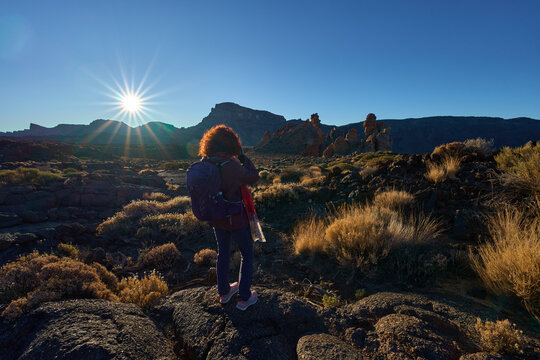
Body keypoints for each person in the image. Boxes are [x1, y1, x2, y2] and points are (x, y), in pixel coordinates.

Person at [198, 124, 260, 310]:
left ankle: (224, 292)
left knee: (223, 253)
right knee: (247, 254)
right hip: (236, 218)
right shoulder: (231, 165)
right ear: (231, 143)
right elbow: (253, 177)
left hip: (217, 217)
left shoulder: (205, 163)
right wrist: (243, 156)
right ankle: (244, 297)